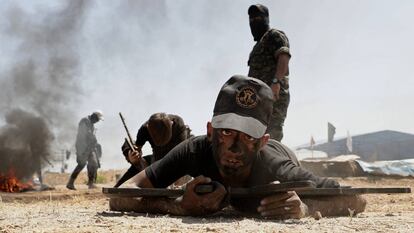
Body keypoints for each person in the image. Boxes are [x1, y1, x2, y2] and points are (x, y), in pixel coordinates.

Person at [109, 75, 366, 218]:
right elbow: (120, 197)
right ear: (210, 131)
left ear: (262, 141)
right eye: (228, 132)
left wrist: (307, 208)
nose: (234, 148)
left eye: (247, 137)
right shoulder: (195, 149)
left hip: (285, 152)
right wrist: (176, 206)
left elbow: (358, 200)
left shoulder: (276, 164)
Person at [247, 4, 291, 142]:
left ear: (266, 19)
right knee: (256, 138)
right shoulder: (257, 46)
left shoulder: (274, 35)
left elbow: (283, 56)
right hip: (258, 101)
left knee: (271, 137)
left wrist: (276, 82)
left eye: (258, 17)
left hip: (273, 97)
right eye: (252, 18)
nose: (254, 21)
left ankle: (276, 162)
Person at [114, 113, 190, 187]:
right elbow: (137, 149)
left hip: (176, 163)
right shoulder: (145, 129)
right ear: (148, 128)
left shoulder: (179, 125)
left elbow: (181, 156)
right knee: (119, 190)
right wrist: (133, 158)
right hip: (155, 163)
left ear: (171, 124)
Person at [66, 111, 103, 190]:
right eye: (97, 119)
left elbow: (91, 136)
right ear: (94, 116)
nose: (97, 121)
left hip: (90, 147)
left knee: (94, 163)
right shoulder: (84, 121)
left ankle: (91, 183)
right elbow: (83, 134)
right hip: (82, 147)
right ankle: (70, 183)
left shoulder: (91, 124)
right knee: (81, 164)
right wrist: (92, 138)